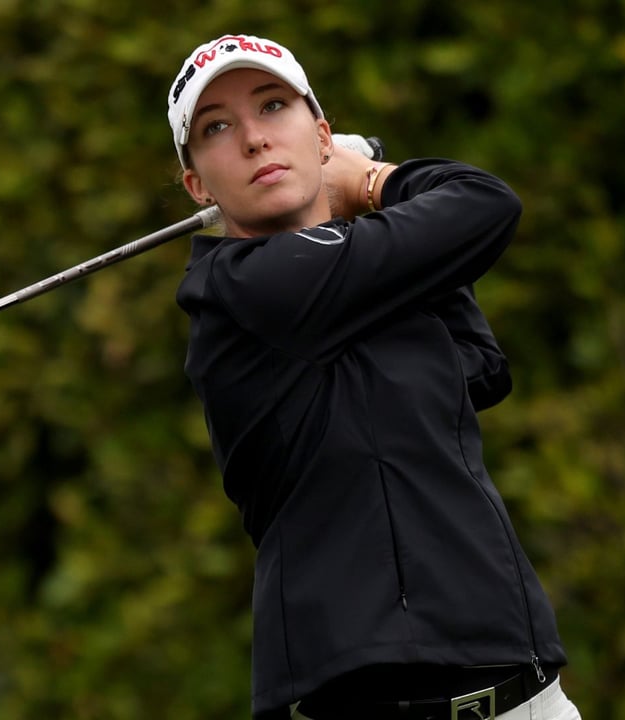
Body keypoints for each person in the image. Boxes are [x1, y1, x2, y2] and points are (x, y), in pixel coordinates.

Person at [167, 34, 582, 719]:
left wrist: (373, 206)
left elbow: (482, 371)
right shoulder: (233, 292)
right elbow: (485, 203)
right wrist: (371, 180)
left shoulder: (369, 273)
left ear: (319, 134)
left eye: (274, 107)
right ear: (196, 184)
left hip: (522, 692)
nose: (253, 139)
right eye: (217, 127)